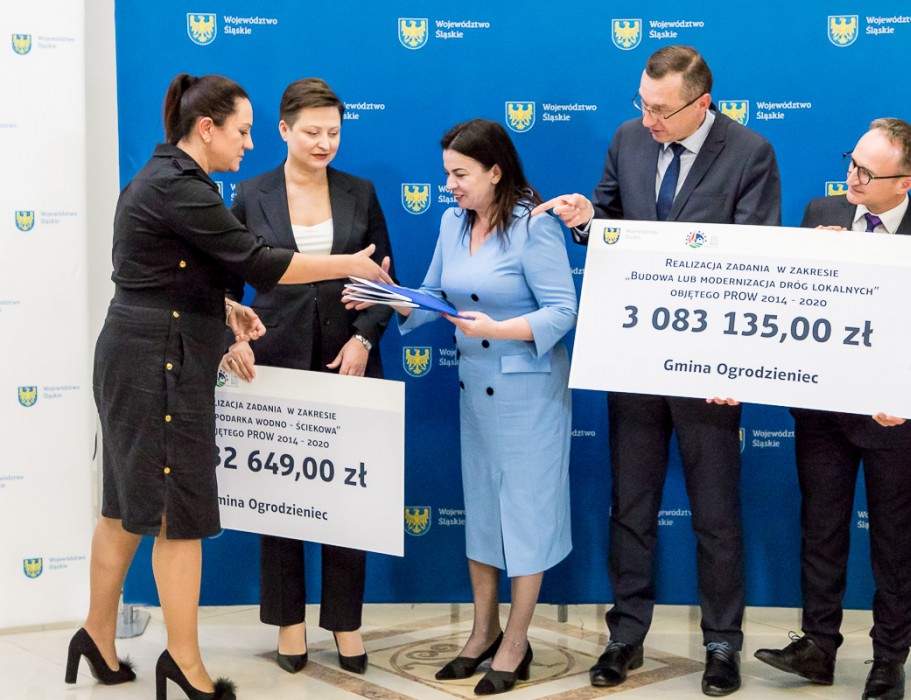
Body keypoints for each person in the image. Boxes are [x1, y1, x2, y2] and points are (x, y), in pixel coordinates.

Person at [65, 73, 390, 700]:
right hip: (157, 360)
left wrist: (222, 310)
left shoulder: (169, 178)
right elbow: (260, 261)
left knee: (123, 509)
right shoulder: (181, 186)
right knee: (175, 516)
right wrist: (350, 264)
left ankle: (97, 637)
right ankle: (184, 664)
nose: (249, 143)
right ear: (207, 128)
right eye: (242, 130)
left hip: (141, 351)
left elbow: (165, 275)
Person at [534, 45, 780, 696]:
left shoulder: (750, 153)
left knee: (716, 514)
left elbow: (758, 261)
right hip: (635, 358)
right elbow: (611, 223)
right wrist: (588, 220)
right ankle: (626, 635)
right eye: (642, 104)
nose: (648, 120)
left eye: (661, 110)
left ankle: (722, 643)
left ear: (702, 103)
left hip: (709, 368)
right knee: (632, 506)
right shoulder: (627, 139)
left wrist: (735, 364)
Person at [753, 119, 911, 700]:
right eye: (852, 163)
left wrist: (900, 392)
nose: (853, 178)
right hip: (823, 412)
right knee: (820, 529)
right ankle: (817, 646)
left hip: (892, 419)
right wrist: (812, 260)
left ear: (907, 182)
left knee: (895, 541)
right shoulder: (821, 212)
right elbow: (792, 302)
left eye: (868, 173)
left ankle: (889, 658)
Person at [387, 118, 576, 695]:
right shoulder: (452, 222)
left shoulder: (534, 226)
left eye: (460, 174)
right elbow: (435, 296)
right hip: (475, 391)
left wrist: (499, 327)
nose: (449, 185)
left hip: (529, 395)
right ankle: (482, 632)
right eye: (447, 173)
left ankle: (516, 642)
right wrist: (390, 296)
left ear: (495, 172)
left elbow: (563, 310)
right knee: (485, 514)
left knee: (526, 515)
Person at [217, 77, 394, 677]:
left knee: (348, 496)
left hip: (350, 362)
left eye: (334, 133)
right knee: (282, 496)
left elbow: (384, 278)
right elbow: (227, 283)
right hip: (277, 364)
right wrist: (234, 337)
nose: (324, 143)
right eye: (312, 132)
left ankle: (345, 622)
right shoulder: (251, 193)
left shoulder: (360, 191)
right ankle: (287, 622)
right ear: (283, 130)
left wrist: (364, 339)